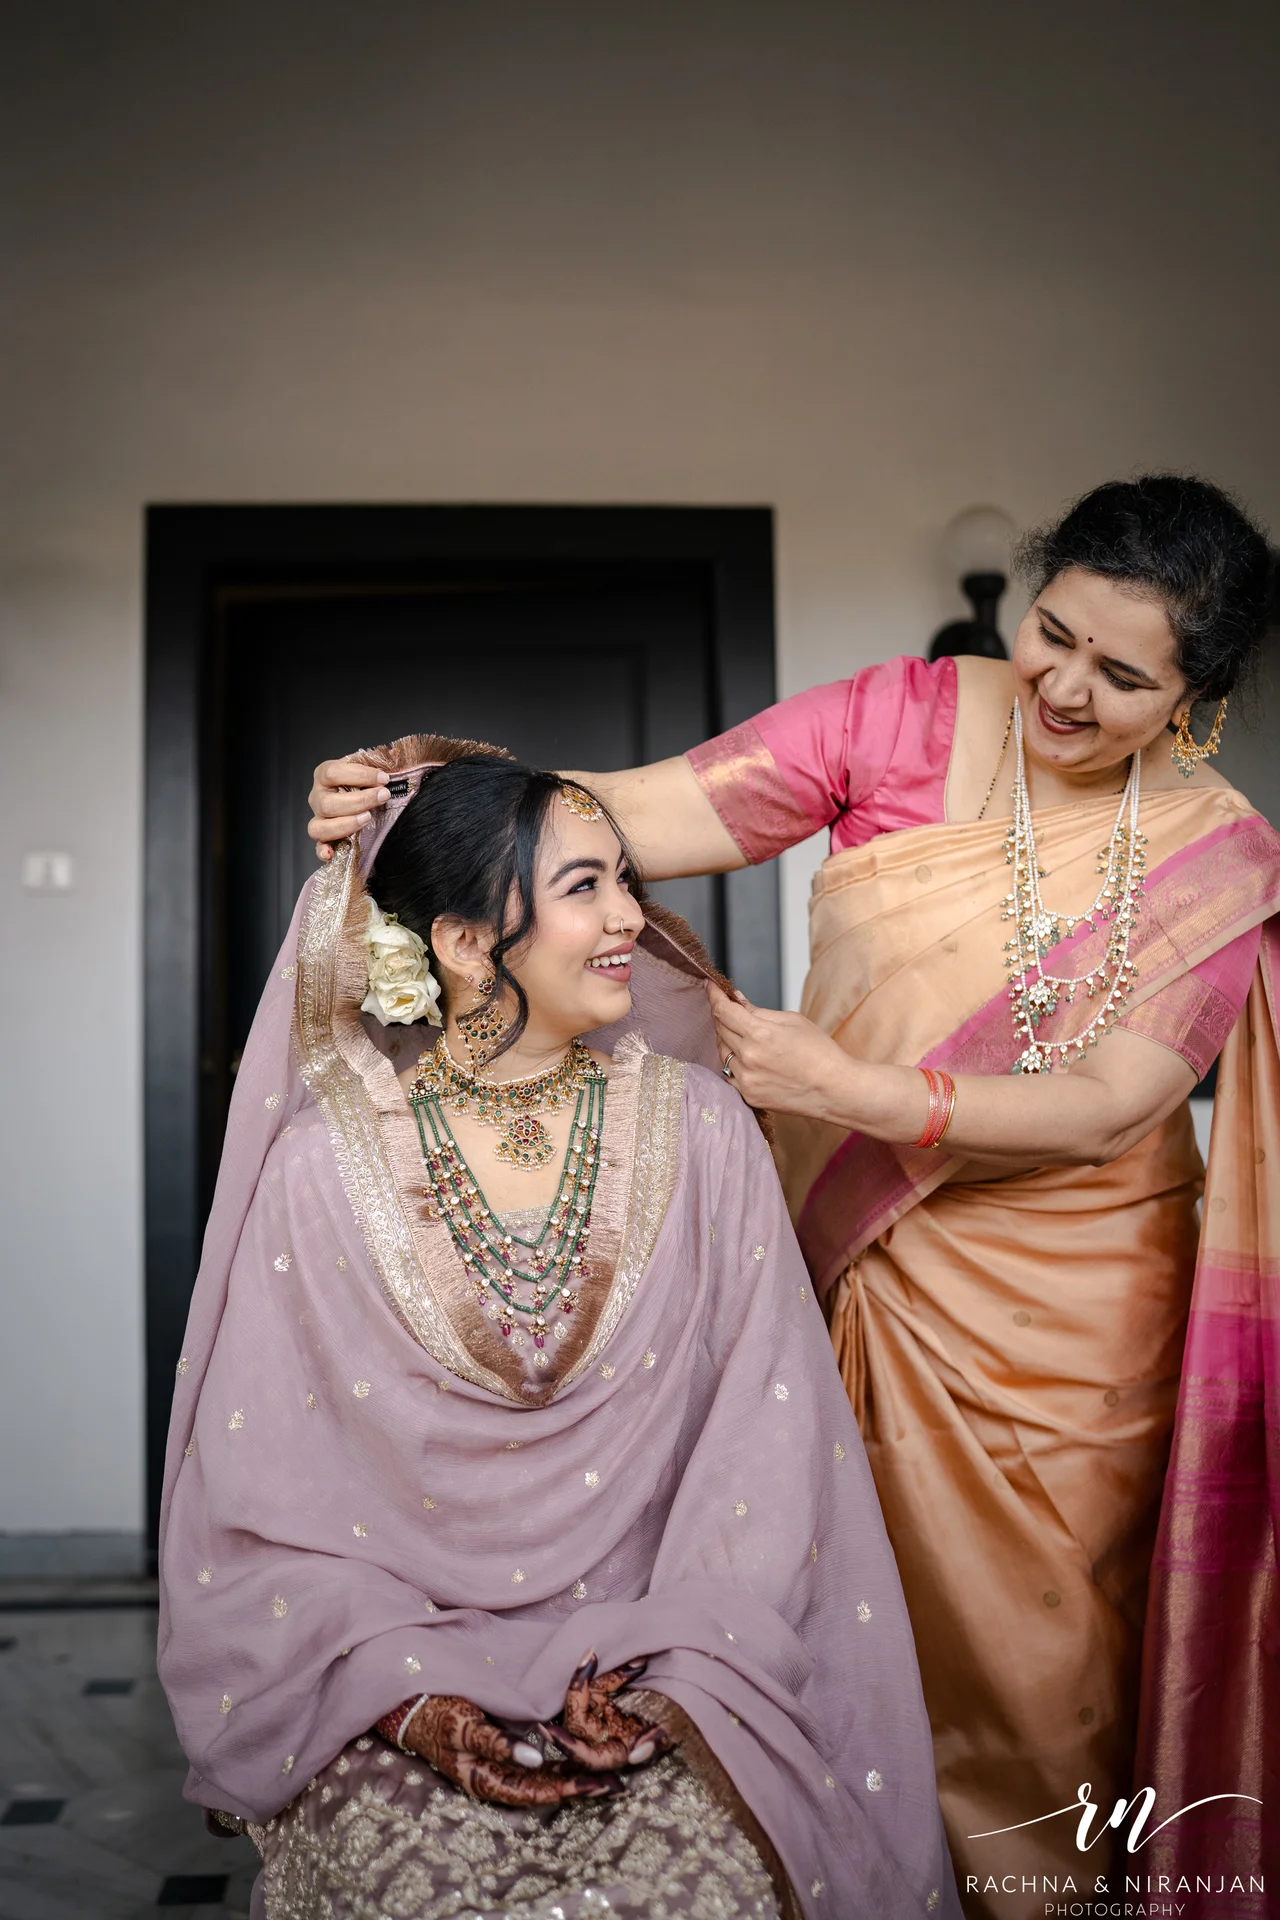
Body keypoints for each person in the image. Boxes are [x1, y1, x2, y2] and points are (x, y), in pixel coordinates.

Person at [307, 477, 1280, 1915]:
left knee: (1047, 1664)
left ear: (1197, 698)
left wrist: (860, 1091)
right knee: (824, 1630)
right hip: (843, 1268)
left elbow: (1115, 1102)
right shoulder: (901, 716)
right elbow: (625, 815)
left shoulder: (1219, 858)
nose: (1065, 688)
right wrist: (412, 792)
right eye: (1053, 632)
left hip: (1077, 1324)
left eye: (1124, 675)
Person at [159, 740, 959, 1920]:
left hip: (667, 1655)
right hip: (385, 1665)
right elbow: (268, 1504)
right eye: (585, 888)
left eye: (624, 879)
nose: (633, 915)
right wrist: (407, 1696)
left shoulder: (701, 1132)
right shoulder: (322, 1166)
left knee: (700, 1890)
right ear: (466, 942)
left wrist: (668, 1669)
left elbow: (761, 1446)